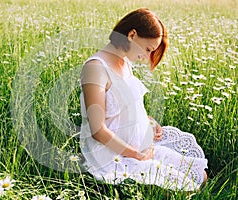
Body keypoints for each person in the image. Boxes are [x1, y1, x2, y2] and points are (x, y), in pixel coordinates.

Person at [79, 8, 208, 191]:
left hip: (140, 147)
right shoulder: (95, 69)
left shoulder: (125, 64)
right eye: (148, 49)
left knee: (199, 175)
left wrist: (149, 122)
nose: (146, 57)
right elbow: (98, 130)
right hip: (115, 155)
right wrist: (136, 155)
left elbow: (127, 108)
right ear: (132, 35)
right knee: (182, 186)